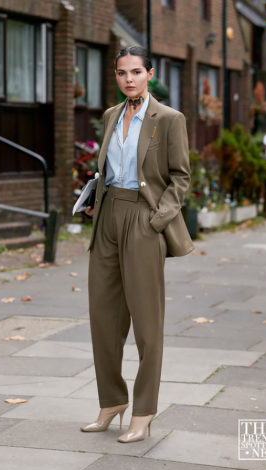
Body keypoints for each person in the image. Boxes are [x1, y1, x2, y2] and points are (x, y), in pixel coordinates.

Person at [80, 45, 194, 443]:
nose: (128, 78)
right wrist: (95, 199)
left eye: (136, 71)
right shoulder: (111, 115)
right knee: (103, 318)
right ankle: (111, 401)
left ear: (149, 73)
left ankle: (143, 412)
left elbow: (181, 177)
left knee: (147, 324)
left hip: (144, 222)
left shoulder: (169, 119)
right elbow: (109, 171)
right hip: (108, 219)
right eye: (122, 72)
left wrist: (156, 220)